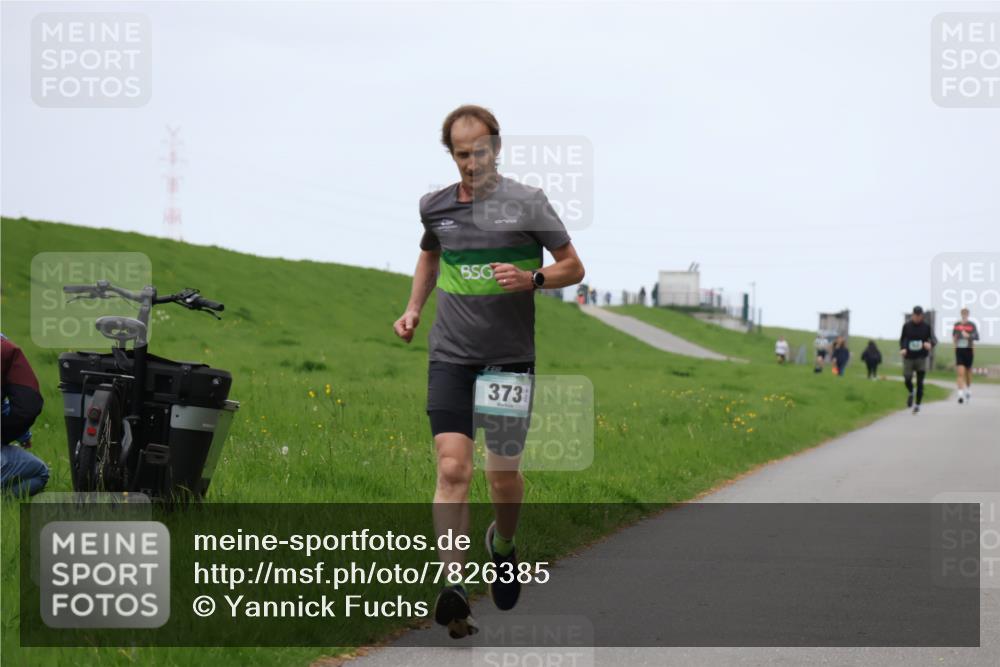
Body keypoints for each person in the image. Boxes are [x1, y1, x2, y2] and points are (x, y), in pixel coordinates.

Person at [393, 105, 585, 639]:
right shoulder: (436, 208)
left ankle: (502, 546)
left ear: (495, 147)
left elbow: (574, 264)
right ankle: (452, 584)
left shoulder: (527, 203)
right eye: (461, 154)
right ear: (450, 154)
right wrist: (413, 309)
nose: (471, 162)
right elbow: (430, 258)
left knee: (502, 477)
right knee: (453, 469)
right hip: (451, 354)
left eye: (479, 151)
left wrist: (534, 278)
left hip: (508, 359)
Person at [1, 334, 48, 497]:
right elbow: (26, 406)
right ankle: (4, 500)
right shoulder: (5, 348)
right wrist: (19, 434)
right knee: (40, 473)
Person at [899, 306, 937, 414]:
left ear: (922, 316)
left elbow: (934, 340)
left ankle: (917, 405)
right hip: (909, 357)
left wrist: (930, 344)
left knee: (920, 382)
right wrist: (902, 348)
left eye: (918, 315)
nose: (916, 317)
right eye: (915, 315)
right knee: (907, 378)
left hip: (921, 357)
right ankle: (911, 391)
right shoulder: (907, 326)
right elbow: (902, 339)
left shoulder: (927, 327)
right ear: (912, 315)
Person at [952, 307, 979, 404]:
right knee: (960, 373)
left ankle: (968, 389)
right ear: (961, 314)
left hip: (969, 350)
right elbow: (954, 337)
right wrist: (954, 347)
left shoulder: (972, 325)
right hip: (960, 350)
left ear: (968, 314)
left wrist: (969, 336)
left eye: (966, 313)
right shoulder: (957, 325)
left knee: (968, 374)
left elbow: (977, 336)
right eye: (963, 313)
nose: (964, 314)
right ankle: (960, 394)